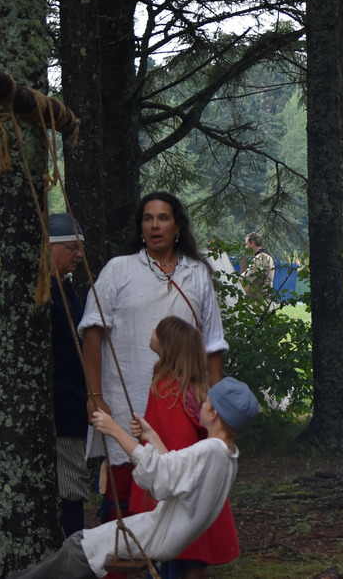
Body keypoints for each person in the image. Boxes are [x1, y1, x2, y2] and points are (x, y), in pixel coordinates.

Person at [78, 191, 228, 530]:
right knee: (127, 502)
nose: (155, 225)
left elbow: (214, 344)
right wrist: (95, 395)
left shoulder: (197, 273)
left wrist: (217, 405)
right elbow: (92, 331)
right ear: (140, 227)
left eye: (163, 218)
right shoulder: (119, 269)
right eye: (148, 218)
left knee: (177, 492)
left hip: (183, 406)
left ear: (177, 226)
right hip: (125, 400)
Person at [9, 377, 259, 579]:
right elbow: (173, 472)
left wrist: (113, 430)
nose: (201, 405)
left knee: (78, 549)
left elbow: (160, 474)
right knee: (79, 548)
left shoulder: (208, 450)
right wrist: (151, 436)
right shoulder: (227, 457)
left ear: (213, 413)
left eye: (205, 403)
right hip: (168, 535)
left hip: (158, 534)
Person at [127, 317, 240, 579]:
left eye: (158, 331)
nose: (152, 331)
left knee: (176, 553)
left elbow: (174, 442)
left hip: (175, 482)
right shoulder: (194, 388)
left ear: (168, 346)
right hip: (194, 484)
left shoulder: (166, 387)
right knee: (190, 556)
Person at [48, 213, 90, 537]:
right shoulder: (43, 293)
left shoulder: (66, 288)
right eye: (71, 247)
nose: (78, 254)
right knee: (67, 492)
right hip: (57, 410)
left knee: (72, 491)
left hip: (71, 409)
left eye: (80, 248)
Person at [241, 231, 274, 299]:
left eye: (247, 244)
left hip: (259, 302)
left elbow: (249, 276)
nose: (246, 247)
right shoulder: (265, 257)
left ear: (252, 243)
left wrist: (234, 280)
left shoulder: (261, 258)